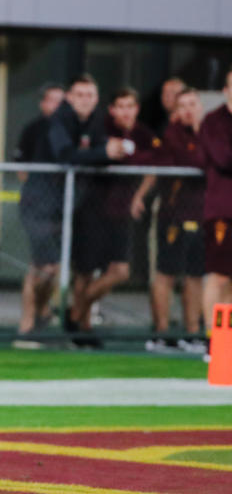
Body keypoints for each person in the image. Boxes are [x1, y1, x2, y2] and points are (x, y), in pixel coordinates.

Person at [42, 74, 126, 345]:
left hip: (90, 205)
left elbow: (100, 152)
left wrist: (108, 152)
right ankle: (35, 324)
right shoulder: (60, 120)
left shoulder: (97, 120)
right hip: (53, 203)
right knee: (47, 267)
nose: (85, 100)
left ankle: (80, 321)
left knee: (90, 269)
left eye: (90, 95)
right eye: (79, 94)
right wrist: (104, 153)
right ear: (69, 97)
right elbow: (66, 155)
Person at [70, 88, 157, 338]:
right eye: (121, 106)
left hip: (120, 212)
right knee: (85, 271)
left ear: (137, 108)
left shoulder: (143, 134)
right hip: (92, 208)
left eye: (130, 106)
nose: (126, 111)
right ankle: (83, 330)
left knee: (120, 271)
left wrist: (139, 196)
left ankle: (75, 313)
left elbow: (154, 165)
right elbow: (93, 155)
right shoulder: (100, 128)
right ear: (112, 109)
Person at [133, 87, 206, 352]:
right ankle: (161, 332)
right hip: (173, 216)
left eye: (193, 104)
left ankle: (193, 332)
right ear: (175, 111)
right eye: (183, 105)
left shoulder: (209, 133)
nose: (188, 110)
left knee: (195, 275)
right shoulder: (172, 134)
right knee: (166, 273)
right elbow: (196, 160)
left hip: (202, 215)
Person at [14, 83, 65, 339]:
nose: (56, 106)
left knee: (53, 266)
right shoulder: (33, 130)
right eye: (52, 101)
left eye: (61, 101)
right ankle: (28, 319)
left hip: (61, 207)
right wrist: (39, 195)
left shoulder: (67, 130)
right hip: (36, 206)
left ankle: (42, 310)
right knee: (39, 265)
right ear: (43, 103)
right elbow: (21, 169)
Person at [199, 68, 232, 357]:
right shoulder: (214, 122)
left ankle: (227, 339)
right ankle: (212, 337)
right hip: (223, 209)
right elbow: (224, 159)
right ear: (225, 89)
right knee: (218, 275)